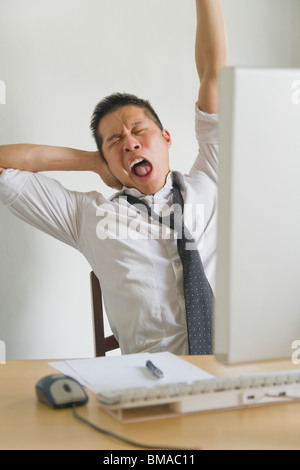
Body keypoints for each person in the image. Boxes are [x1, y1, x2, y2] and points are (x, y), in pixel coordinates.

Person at [0, 0, 228, 355]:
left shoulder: (210, 179)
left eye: (138, 130)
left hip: (239, 370)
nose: (130, 142)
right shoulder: (88, 218)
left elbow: (214, 76)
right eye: (115, 141)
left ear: (166, 137)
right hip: (153, 386)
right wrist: (92, 161)